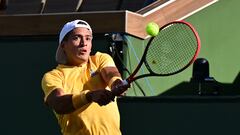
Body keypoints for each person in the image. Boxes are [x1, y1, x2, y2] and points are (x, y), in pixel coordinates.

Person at [41, 19, 129, 135]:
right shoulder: (53, 76)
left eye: (88, 38)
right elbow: (58, 103)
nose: (84, 43)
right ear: (63, 45)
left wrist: (116, 83)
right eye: (77, 38)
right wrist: (89, 96)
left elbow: (110, 74)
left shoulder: (100, 59)